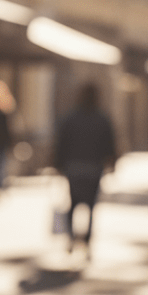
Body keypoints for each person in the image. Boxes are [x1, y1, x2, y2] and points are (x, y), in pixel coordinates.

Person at [54, 82, 117, 257]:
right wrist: (113, 163)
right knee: (91, 206)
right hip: (93, 168)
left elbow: (61, 143)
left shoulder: (71, 117)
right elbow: (110, 144)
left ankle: (71, 237)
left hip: (74, 168)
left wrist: (57, 164)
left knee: (73, 204)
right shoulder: (102, 118)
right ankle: (87, 240)